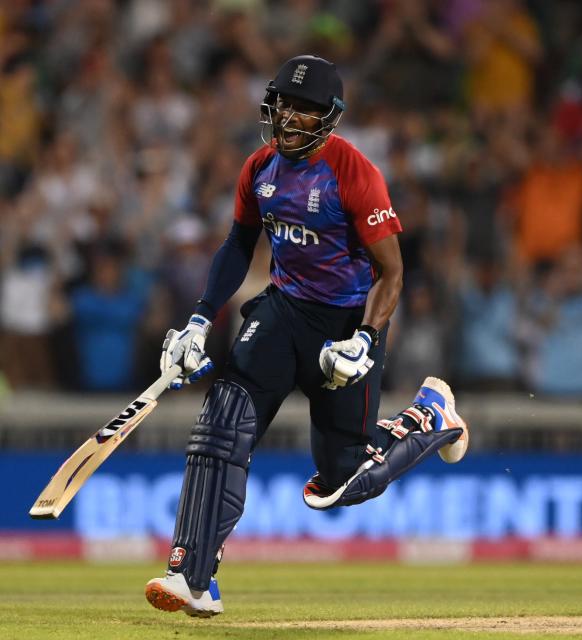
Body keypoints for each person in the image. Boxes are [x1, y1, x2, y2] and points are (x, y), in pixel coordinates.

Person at [143, 55, 469, 618]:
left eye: (306, 110)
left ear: (330, 117)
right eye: (285, 105)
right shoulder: (258, 169)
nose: (291, 118)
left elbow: (392, 272)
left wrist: (365, 338)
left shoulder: (354, 172)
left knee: (341, 484)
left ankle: (431, 417)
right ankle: (192, 575)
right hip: (283, 310)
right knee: (223, 418)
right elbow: (237, 246)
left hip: (345, 324)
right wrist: (199, 320)